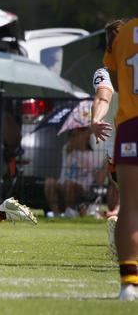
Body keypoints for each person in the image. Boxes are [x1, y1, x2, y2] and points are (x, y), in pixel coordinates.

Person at [90, 18, 138, 301]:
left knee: (127, 206)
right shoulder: (105, 67)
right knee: (124, 203)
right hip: (118, 133)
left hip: (126, 132)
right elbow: (103, 96)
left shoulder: (118, 50)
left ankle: (128, 283)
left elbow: (103, 97)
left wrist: (95, 120)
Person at [43, 127, 105, 218]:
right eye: (72, 135)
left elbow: (99, 180)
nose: (73, 138)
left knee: (68, 184)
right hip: (63, 185)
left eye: (76, 135)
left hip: (82, 188)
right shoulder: (68, 150)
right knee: (49, 182)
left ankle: (70, 211)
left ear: (86, 136)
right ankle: (56, 213)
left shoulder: (94, 156)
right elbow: (71, 145)